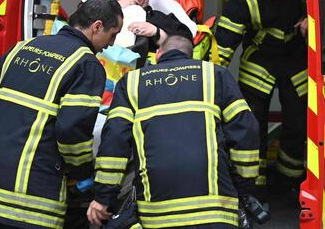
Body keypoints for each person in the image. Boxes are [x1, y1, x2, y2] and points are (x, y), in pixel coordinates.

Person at [0, 0, 123, 229]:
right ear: (97, 26)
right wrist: (83, 172)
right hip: (34, 200)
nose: (111, 44)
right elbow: (72, 131)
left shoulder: (20, 49)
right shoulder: (86, 65)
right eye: (112, 35)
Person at [87, 35, 260, 228]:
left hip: (157, 213)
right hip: (216, 211)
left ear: (158, 55)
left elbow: (115, 141)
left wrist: (104, 197)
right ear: (191, 55)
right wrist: (243, 189)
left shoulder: (132, 82)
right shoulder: (215, 75)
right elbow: (246, 132)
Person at [214, 0, 307, 200]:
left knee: (300, 124)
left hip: (296, 60)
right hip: (260, 63)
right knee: (252, 126)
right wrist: (209, 83)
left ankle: (289, 180)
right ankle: (255, 186)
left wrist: (315, 19)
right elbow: (223, 45)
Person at [116, 0, 192, 65]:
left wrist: (156, 33)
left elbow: (185, 42)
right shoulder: (102, 9)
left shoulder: (157, 18)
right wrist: (114, 7)